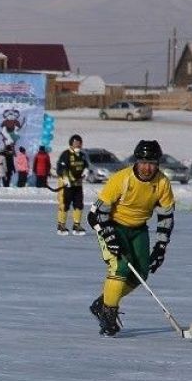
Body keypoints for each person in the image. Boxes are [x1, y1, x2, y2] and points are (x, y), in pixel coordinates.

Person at [87, 140, 175, 337]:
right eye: (143, 162)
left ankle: (103, 303)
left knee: (141, 273)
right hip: (113, 225)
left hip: (139, 229)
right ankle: (108, 314)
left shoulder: (162, 183)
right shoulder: (121, 179)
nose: (147, 167)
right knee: (120, 267)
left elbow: (166, 216)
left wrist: (161, 246)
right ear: (136, 161)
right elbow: (96, 214)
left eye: (152, 163)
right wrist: (109, 236)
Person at [55, 134, 89, 236]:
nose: (78, 145)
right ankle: (61, 225)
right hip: (67, 185)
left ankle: (76, 225)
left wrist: (86, 170)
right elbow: (61, 168)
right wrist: (65, 178)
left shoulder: (82, 155)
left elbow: (85, 165)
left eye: (79, 143)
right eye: (75, 143)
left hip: (77, 184)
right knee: (64, 204)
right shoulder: (65, 154)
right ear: (71, 144)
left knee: (78, 204)